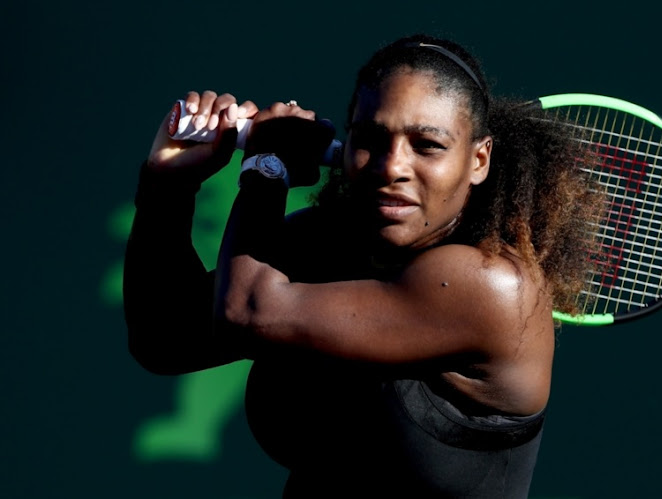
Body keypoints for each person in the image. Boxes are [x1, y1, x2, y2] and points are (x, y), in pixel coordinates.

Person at [124, 34, 604, 498]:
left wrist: (267, 166)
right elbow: (163, 339)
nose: (392, 165)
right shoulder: (324, 240)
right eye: (371, 139)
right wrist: (168, 183)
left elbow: (245, 312)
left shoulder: (491, 285)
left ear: (479, 160)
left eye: (428, 145)